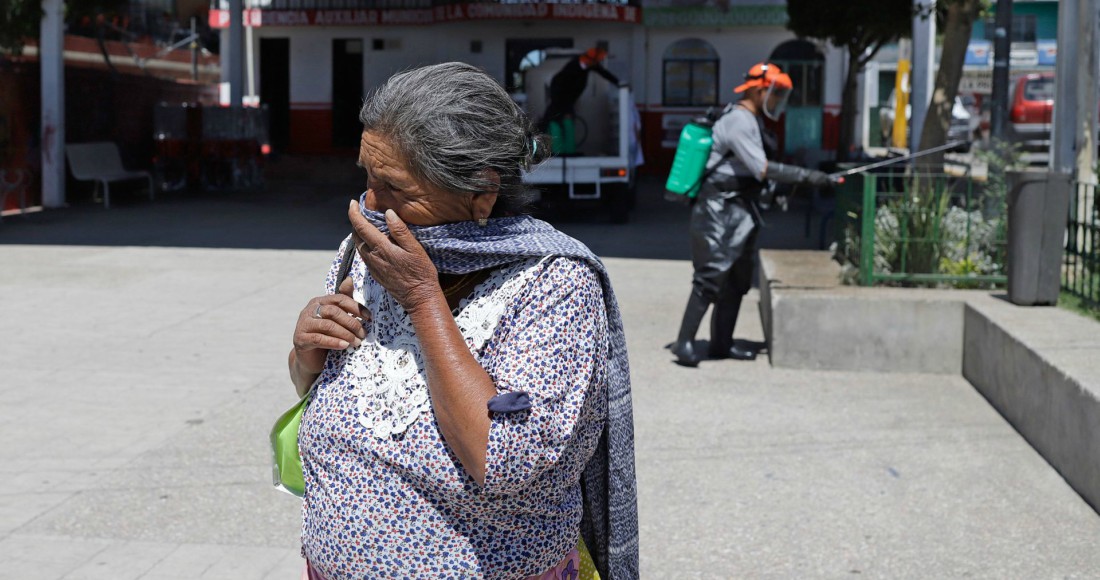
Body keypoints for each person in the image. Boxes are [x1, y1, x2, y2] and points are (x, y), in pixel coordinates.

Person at [288, 62, 638, 579]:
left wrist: (423, 299)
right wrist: (306, 353)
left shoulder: (555, 283)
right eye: (366, 176)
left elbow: (502, 456)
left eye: (393, 188)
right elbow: (316, 388)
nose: (369, 203)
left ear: (482, 193)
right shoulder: (367, 252)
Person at [669, 62, 837, 367]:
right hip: (717, 209)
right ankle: (684, 343)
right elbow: (761, 168)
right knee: (710, 279)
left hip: (741, 208)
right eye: (776, 95)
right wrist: (811, 177)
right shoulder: (739, 121)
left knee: (736, 282)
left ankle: (722, 343)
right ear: (761, 91)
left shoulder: (750, 118)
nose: (778, 103)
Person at [539, 47, 622, 151]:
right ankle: (540, 141)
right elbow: (561, 85)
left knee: (564, 118)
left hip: (570, 97)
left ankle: (565, 147)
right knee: (552, 116)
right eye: (596, 61)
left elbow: (603, 72)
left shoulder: (589, 66)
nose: (597, 64)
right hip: (560, 93)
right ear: (589, 60)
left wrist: (618, 83)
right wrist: (561, 102)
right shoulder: (572, 67)